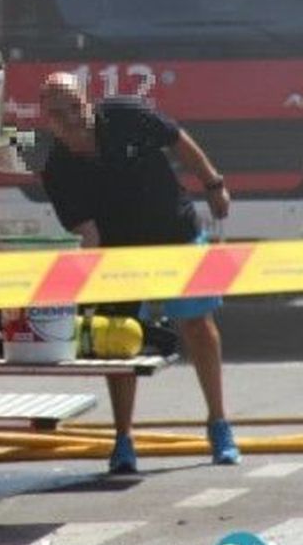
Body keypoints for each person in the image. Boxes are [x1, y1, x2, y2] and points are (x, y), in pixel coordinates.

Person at [36, 72, 239, 474]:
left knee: (197, 325)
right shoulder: (55, 166)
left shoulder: (127, 115)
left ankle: (219, 426)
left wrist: (214, 184)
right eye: (60, 113)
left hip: (174, 235)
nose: (72, 118)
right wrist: (86, 290)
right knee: (118, 342)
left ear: (88, 102)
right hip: (119, 253)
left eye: (76, 107)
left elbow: (178, 141)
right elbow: (88, 231)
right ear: (47, 120)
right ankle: (123, 440)